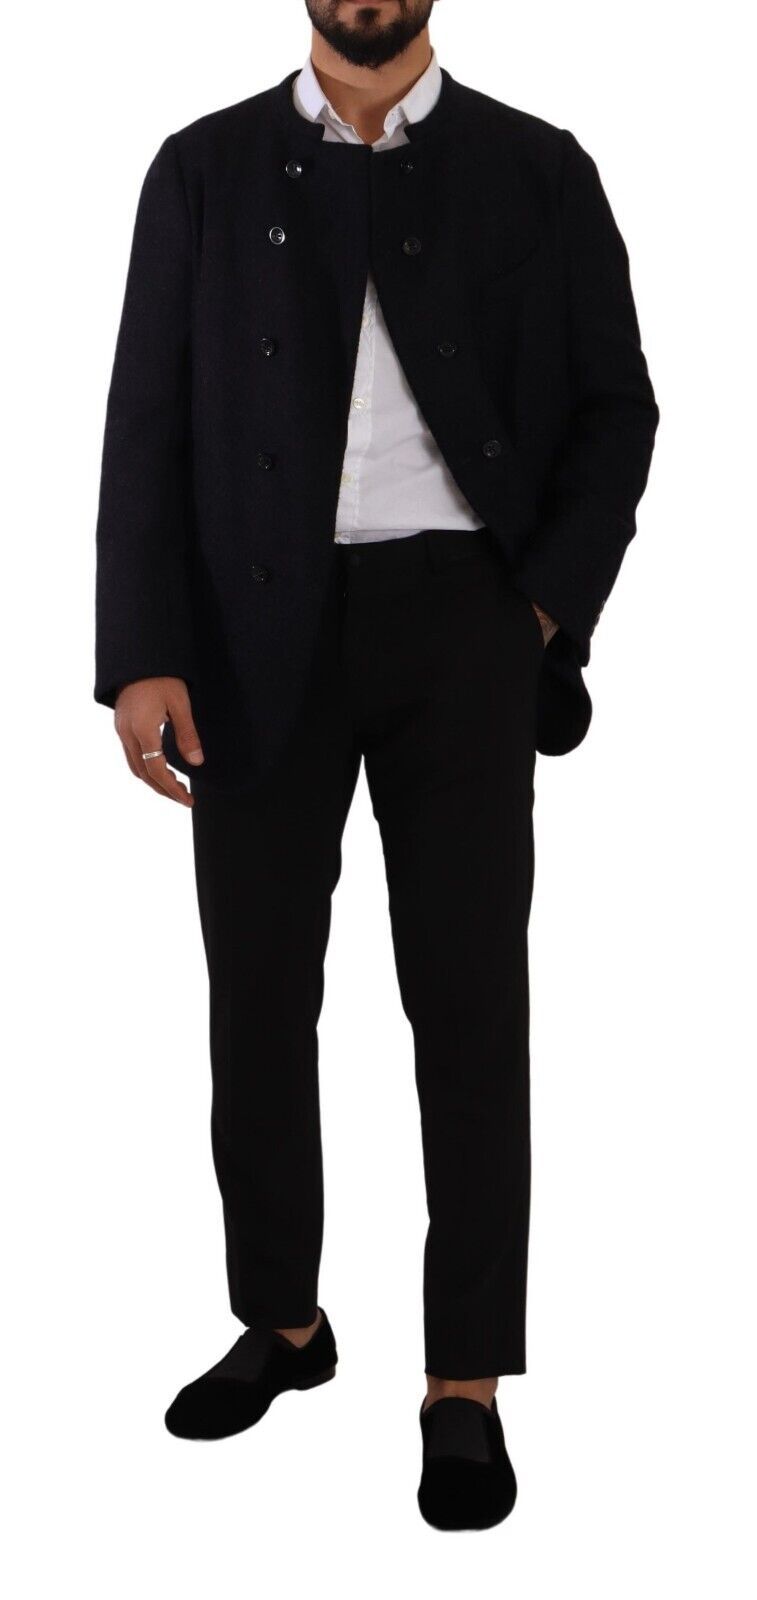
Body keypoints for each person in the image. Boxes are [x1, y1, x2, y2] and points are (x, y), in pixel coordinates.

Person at [94, 0, 658, 1531]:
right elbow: (145, 415)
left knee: (468, 1006)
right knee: (258, 999)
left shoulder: (537, 168)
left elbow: (616, 407)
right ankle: (284, 1325)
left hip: (462, 622)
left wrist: (536, 610)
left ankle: (463, 1379)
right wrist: (140, 648)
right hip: (246, 633)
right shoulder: (200, 169)